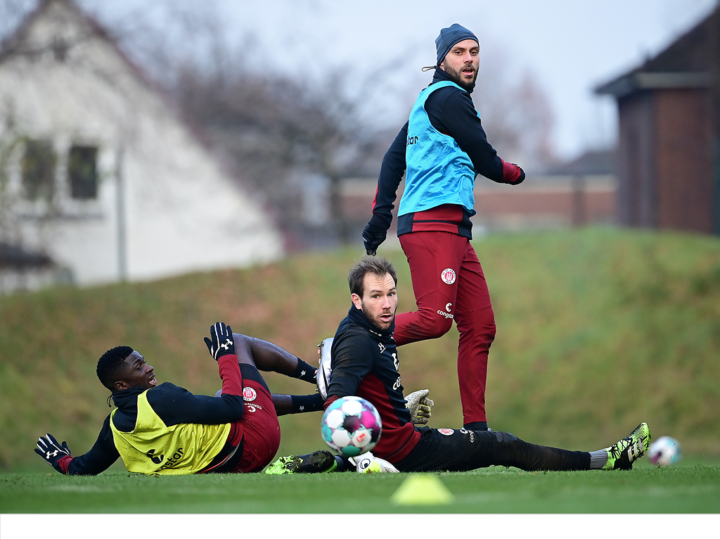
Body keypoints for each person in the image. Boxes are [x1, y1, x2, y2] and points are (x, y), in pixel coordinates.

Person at [270, 257, 650, 474]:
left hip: (399, 440)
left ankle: (323, 466)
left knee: (503, 445)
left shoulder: (373, 328)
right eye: (375, 296)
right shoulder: (357, 339)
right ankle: (609, 460)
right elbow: (338, 405)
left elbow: (368, 396)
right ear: (356, 300)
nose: (387, 304)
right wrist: (367, 458)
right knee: (506, 444)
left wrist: (399, 411)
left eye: (391, 294)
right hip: (406, 452)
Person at [362, 23, 526, 432]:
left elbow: (391, 160)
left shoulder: (426, 103)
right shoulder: (450, 98)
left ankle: (476, 429)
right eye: (460, 52)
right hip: (431, 224)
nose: (469, 59)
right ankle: (346, 345)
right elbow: (486, 158)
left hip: (453, 229)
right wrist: (513, 173)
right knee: (436, 320)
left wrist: (380, 218)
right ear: (442, 61)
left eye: (474, 51)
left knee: (481, 327)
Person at [34, 322, 327, 475]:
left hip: (229, 467)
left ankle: (320, 401)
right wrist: (226, 358)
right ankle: (320, 377)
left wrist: (59, 460)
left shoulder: (114, 428)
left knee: (219, 396)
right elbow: (233, 407)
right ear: (121, 385)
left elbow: (83, 468)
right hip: (254, 444)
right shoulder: (161, 398)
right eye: (139, 367)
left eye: (144, 361)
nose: (149, 367)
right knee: (237, 343)